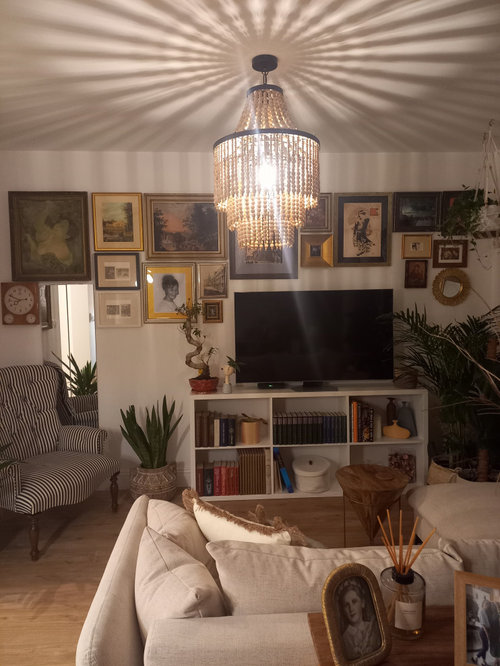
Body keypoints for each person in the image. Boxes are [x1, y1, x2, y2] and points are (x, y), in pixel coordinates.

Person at [338, 578, 381, 660]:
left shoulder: (373, 627)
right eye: (346, 605)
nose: (351, 609)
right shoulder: (345, 637)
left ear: (362, 603)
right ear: (343, 610)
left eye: (354, 601)